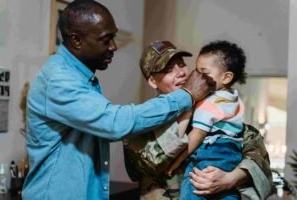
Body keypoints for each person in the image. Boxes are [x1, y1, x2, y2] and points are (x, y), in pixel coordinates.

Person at [21, 1, 213, 200]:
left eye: (181, 65)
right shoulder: (60, 80)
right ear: (76, 40)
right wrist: (187, 96)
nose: (113, 46)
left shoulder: (82, 79)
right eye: (106, 39)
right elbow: (116, 124)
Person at [123, 40, 272, 200]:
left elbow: (257, 156)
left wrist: (230, 179)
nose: (181, 73)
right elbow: (150, 164)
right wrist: (187, 106)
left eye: (181, 65)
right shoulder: (141, 120)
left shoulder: (216, 110)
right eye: (168, 70)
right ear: (153, 81)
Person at [168, 40, 248, 200]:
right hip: (231, 158)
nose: (197, 77)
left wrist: (175, 162)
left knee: (192, 188)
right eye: (197, 71)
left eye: (203, 72)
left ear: (226, 77)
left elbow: (197, 136)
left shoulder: (209, 103)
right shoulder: (235, 100)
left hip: (208, 156)